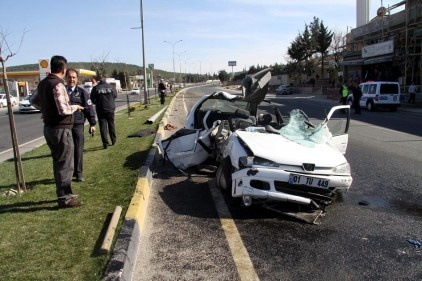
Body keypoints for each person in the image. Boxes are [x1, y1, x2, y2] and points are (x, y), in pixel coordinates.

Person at [30, 55, 84, 208]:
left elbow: (32, 100)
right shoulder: (58, 84)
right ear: (63, 69)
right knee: (65, 164)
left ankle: (63, 194)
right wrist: (75, 107)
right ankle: (65, 198)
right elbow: (63, 110)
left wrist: (45, 110)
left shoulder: (43, 83)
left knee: (59, 163)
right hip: (60, 130)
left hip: (49, 129)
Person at [66, 69, 97, 182]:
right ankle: (68, 172)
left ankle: (78, 173)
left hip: (78, 124)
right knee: (67, 150)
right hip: (64, 125)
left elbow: (89, 108)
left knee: (78, 148)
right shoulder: (62, 91)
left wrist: (92, 123)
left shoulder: (82, 92)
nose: (71, 79)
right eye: (69, 77)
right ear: (66, 78)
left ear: (77, 79)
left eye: (74, 77)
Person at [90, 74, 117, 149]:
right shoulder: (111, 87)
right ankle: (113, 140)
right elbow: (115, 96)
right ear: (105, 80)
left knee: (103, 127)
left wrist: (97, 103)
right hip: (110, 109)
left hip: (100, 109)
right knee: (111, 124)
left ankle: (105, 144)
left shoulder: (96, 88)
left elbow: (92, 99)